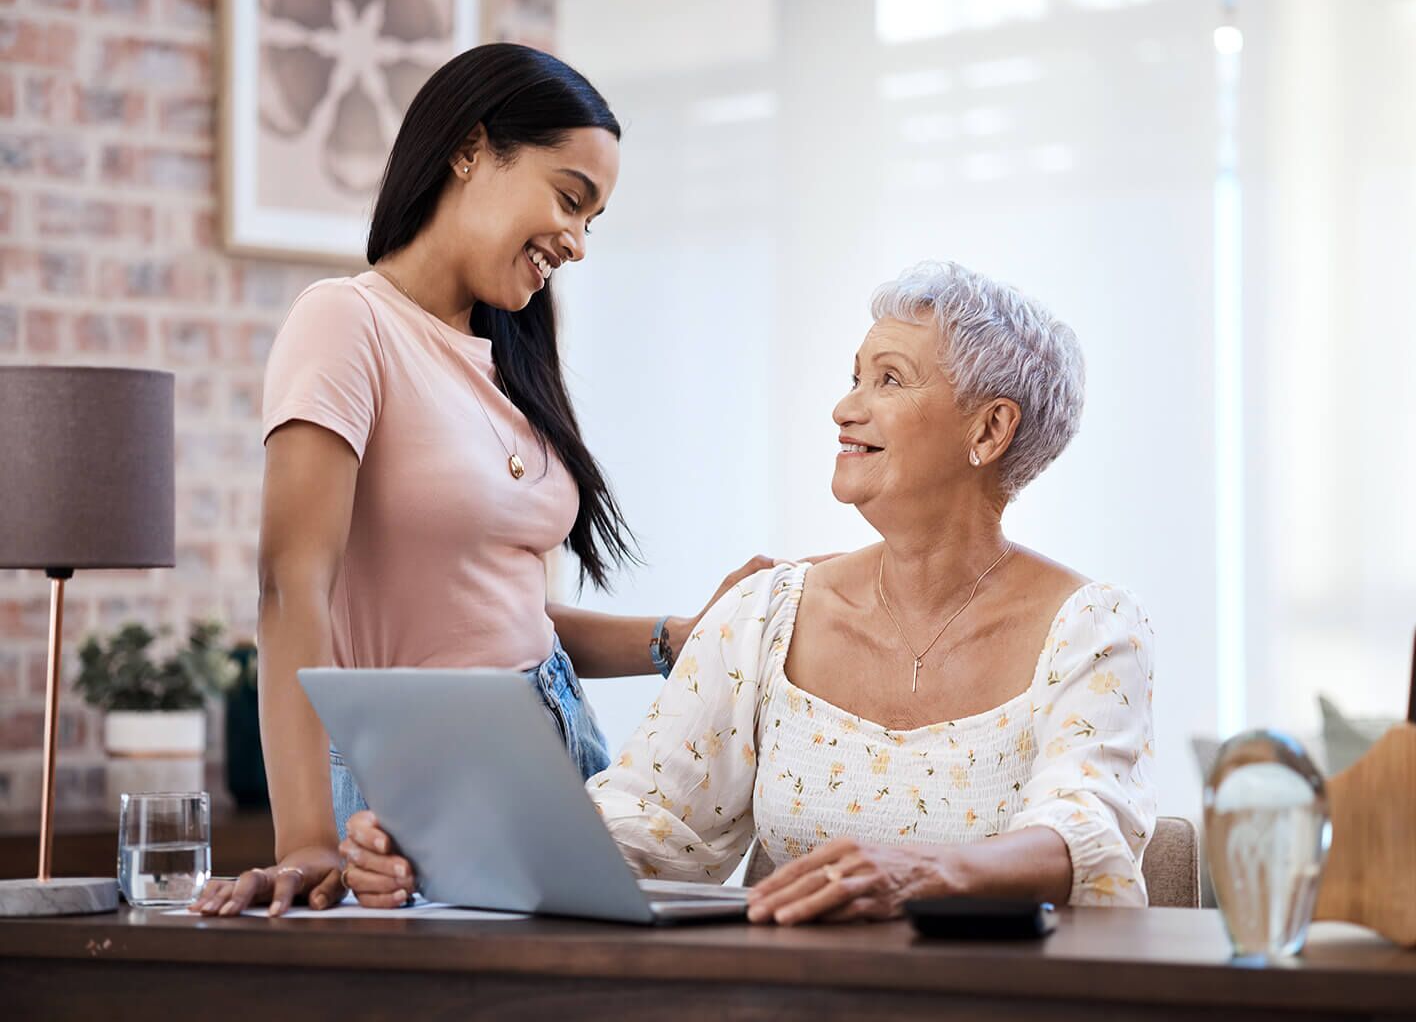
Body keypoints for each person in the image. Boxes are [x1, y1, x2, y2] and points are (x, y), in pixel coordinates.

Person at [342, 260, 1157, 922]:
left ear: (989, 429)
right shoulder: (766, 617)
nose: (845, 407)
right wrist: (442, 850)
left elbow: (1081, 830)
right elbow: (644, 824)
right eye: (853, 376)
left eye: (890, 379)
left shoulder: (1091, 630)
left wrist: (916, 869)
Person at [192, 44, 769, 918]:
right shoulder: (347, 324)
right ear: (471, 148)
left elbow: (501, 620)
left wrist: (675, 639)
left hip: (562, 751)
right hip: (422, 780)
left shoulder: (514, 363)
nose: (577, 241)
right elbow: (289, 587)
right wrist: (304, 841)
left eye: (593, 220)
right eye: (570, 198)